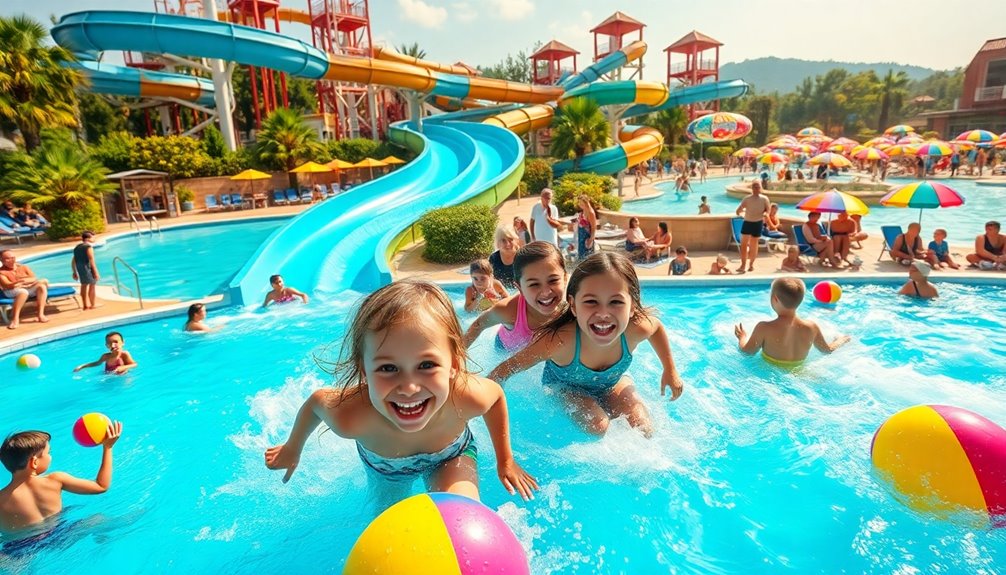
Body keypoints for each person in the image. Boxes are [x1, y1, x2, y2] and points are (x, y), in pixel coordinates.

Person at [264, 280, 538, 503]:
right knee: (387, 530)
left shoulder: (466, 396)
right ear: (364, 371)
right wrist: (292, 448)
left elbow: (496, 398)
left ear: (453, 364)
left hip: (451, 454)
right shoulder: (350, 416)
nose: (409, 388)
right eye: (387, 369)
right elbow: (316, 403)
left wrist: (506, 460)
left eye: (427, 365)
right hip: (386, 470)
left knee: (462, 514)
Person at [487, 252, 685, 437]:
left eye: (616, 302)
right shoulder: (560, 341)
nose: (603, 314)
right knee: (597, 426)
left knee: (644, 428)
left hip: (613, 381)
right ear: (573, 305)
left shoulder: (636, 328)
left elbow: (656, 327)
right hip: (566, 386)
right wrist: (487, 401)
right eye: (591, 302)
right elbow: (505, 369)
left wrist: (670, 370)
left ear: (632, 306)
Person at [0, 424, 122, 535]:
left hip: (20, 547)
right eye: (48, 453)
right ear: (35, 462)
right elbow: (101, 486)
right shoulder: (56, 480)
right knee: (97, 519)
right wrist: (108, 447)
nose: (50, 456)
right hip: (60, 533)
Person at [464, 242, 567, 352]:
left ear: (565, 279)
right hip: (504, 349)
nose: (546, 292)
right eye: (534, 284)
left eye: (553, 280)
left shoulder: (574, 306)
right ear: (520, 288)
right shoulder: (509, 310)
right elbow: (478, 324)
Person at [734, 278, 851, 367]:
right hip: (800, 373)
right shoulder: (811, 327)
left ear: (775, 299)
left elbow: (747, 353)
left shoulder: (764, 327)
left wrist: (742, 338)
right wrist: (841, 340)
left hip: (770, 373)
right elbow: (827, 350)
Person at [0, 250, 49, 329]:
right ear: (2, 260)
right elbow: (7, 285)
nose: (12, 260)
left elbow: (33, 278)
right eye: (8, 258)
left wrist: (23, 282)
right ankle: (15, 319)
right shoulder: (1, 272)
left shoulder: (23, 267)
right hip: (10, 290)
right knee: (23, 292)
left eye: (13, 258)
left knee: (42, 286)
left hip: (26, 286)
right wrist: (19, 282)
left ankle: (40, 314)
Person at [735, 181, 772, 273]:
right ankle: (743, 265)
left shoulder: (764, 199)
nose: (757, 189)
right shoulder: (747, 199)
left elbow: (768, 210)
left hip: (758, 223)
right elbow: (739, 209)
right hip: (747, 222)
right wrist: (740, 213)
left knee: (754, 245)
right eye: (755, 187)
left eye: (758, 187)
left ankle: (751, 264)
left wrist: (765, 215)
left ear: (761, 188)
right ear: (752, 188)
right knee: (743, 245)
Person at [73, 332, 137, 375]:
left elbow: (134, 364)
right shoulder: (106, 356)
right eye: (110, 343)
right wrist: (82, 366)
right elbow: (97, 363)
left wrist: (123, 367)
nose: (113, 345)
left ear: (123, 343)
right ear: (106, 345)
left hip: (123, 377)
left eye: (116, 342)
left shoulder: (124, 354)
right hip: (108, 376)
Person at [71, 231, 100, 311]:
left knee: (84, 285)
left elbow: (73, 261)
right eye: (93, 237)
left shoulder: (77, 247)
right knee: (92, 285)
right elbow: (91, 260)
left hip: (80, 268)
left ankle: (85, 306)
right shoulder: (88, 247)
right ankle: (93, 305)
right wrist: (95, 272)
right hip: (87, 268)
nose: (94, 239)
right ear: (87, 239)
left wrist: (74, 271)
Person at [574, 195, 597, 261]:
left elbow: (593, 227)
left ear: (586, 202)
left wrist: (591, 239)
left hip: (586, 238)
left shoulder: (590, 212)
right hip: (582, 238)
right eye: (579, 203)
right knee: (581, 257)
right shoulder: (584, 210)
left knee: (587, 258)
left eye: (581, 203)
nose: (580, 205)